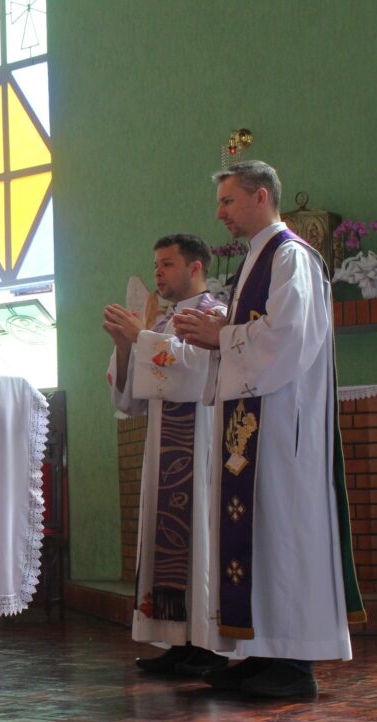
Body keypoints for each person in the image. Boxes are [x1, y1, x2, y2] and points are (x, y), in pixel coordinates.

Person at [174, 160, 366, 697]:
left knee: (284, 534)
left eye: (228, 201)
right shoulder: (257, 260)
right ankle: (261, 650)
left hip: (284, 433)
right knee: (257, 535)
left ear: (261, 197)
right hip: (253, 426)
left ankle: (295, 661)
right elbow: (244, 338)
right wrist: (215, 338)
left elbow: (287, 339)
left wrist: (223, 336)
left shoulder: (292, 257)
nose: (220, 213)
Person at [103, 235, 228, 677]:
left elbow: (196, 374)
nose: (157, 273)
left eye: (167, 264)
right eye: (155, 264)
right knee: (169, 542)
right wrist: (125, 344)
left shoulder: (215, 315)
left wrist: (141, 338)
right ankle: (179, 640)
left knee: (200, 541)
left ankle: (208, 643)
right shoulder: (159, 323)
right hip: (165, 449)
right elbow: (129, 400)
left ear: (195, 268)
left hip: (201, 447)